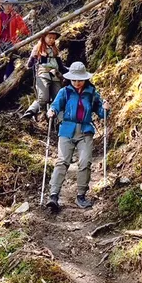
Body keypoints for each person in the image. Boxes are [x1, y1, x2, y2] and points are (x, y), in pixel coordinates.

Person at [46, 61, 109, 211]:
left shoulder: (92, 93)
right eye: (74, 79)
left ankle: (81, 196)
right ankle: (53, 195)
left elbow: (101, 112)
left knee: (85, 162)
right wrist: (52, 111)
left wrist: (105, 109)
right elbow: (55, 105)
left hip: (85, 131)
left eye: (80, 80)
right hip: (67, 129)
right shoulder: (65, 91)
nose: (77, 82)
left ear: (85, 79)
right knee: (62, 161)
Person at [22, 30, 66, 120]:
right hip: (43, 75)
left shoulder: (55, 50)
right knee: (43, 98)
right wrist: (41, 57)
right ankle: (30, 112)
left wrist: (69, 72)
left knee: (58, 99)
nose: (51, 40)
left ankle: (61, 121)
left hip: (55, 76)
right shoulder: (38, 48)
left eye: (53, 38)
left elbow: (61, 66)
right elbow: (30, 64)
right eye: (50, 37)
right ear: (44, 37)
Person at [0, 0, 30, 83]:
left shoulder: (16, 16)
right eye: (5, 4)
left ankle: (8, 84)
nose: (8, 6)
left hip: (12, 44)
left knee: (10, 66)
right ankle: (0, 85)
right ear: (2, 5)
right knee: (0, 69)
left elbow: (25, 30)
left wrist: (20, 32)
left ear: (12, 5)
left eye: (10, 4)